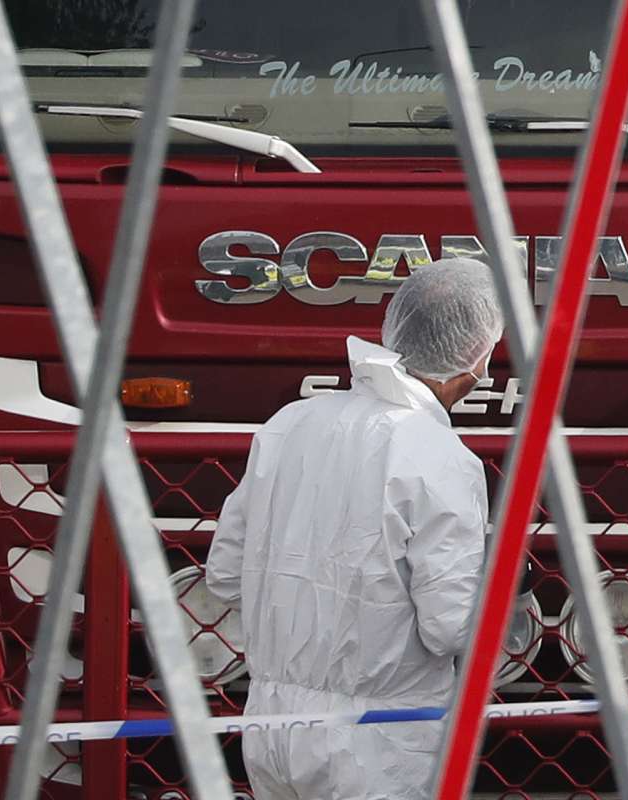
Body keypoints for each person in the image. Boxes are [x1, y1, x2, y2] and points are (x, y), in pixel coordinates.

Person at [205, 258, 504, 800]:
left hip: (270, 727)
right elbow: (452, 628)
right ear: (478, 357)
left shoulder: (288, 424)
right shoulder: (442, 457)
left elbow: (224, 575)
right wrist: (508, 580)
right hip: (379, 746)